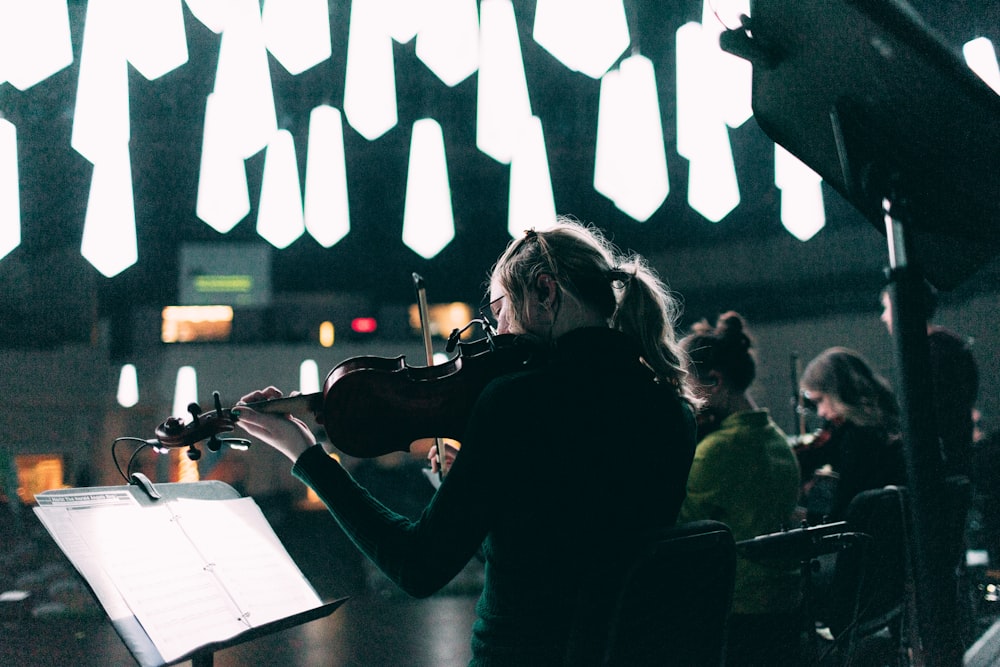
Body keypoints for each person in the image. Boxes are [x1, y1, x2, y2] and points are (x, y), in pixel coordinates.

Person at [234, 218, 701, 664]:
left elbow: (417, 568)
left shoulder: (518, 401)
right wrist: (473, 490)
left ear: (544, 291)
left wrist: (307, 455)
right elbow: (552, 550)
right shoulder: (671, 408)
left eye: (500, 312)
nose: (497, 335)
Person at [677, 312, 804, 666]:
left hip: (739, 612)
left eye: (683, 385)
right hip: (785, 606)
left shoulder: (718, 449)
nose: (681, 397)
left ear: (713, 381)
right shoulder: (776, 439)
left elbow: (678, 527)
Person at [880, 283, 979, 479]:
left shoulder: (931, 353)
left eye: (886, 308)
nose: (884, 317)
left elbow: (930, 412)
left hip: (941, 461)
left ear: (903, 309)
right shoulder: (949, 346)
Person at [798, 347, 904, 523]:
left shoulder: (856, 439)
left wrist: (802, 518)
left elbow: (846, 517)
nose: (821, 412)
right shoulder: (890, 425)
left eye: (820, 401)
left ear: (839, 394)